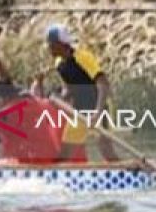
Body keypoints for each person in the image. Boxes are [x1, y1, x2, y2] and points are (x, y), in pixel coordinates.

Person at [46, 24, 115, 162]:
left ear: (61, 44)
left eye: (51, 44)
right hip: (79, 113)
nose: (49, 48)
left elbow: (103, 84)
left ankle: (126, 174)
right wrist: (61, 98)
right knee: (65, 153)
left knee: (107, 151)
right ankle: (57, 178)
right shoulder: (59, 63)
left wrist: (97, 113)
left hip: (98, 108)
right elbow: (69, 87)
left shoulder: (83, 58)